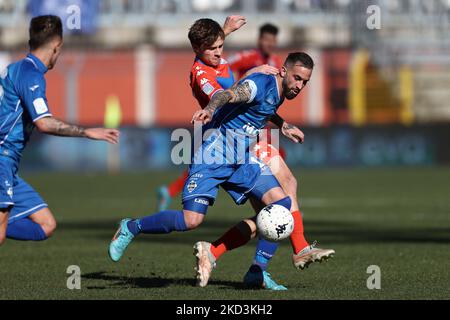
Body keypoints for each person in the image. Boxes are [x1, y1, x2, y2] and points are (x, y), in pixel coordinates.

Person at [109, 52, 334, 290]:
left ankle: (256, 272)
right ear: (283, 71)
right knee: (191, 220)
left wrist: (283, 125)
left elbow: (263, 109)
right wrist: (209, 108)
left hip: (241, 160)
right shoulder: (259, 84)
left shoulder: (279, 91)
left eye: (305, 82)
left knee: (280, 206)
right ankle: (131, 227)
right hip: (213, 155)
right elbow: (230, 94)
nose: (299, 86)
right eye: (297, 78)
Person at [0, 15, 120, 245]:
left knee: (46, 225)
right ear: (57, 47)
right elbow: (44, 123)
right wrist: (87, 132)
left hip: (9, 166)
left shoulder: (14, 68)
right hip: (2, 159)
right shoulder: (30, 74)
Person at [156, 17, 282, 212]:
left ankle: (295, 239)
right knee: (192, 218)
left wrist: (225, 30)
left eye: (220, 45)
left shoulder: (272, 61)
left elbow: (213, 50)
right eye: (266, 39)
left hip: (242, 125)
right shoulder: (204, 74)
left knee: (271, 200)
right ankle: (138, 223)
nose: (219, 51)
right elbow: (222, 97)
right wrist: (250, 76)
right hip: (223, 135)